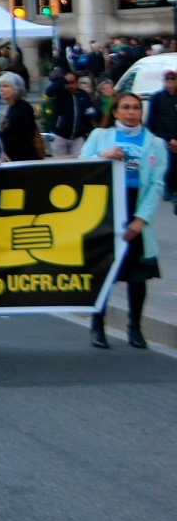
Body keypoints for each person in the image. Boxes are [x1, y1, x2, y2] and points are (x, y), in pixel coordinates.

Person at [84, 90, 165, 349]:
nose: (131, 112)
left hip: (135, 208)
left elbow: (156, 184)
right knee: (104, 271)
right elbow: (79, 167)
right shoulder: (100, 136)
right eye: (126, 107)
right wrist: (103, 156)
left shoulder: (154, 143)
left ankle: (135, 328)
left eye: (136, 108)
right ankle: (98, 325)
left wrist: (140, 220)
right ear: (116, 111)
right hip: (106, 210)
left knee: (138, 276)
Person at [0, 72, 42, 162]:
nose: (1, 89)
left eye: (5, 86)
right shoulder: (11, 107)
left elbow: (23, 136)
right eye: (0, 86)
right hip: (13, 157)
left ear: (15, 88)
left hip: (24, 159)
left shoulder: (23, 108)